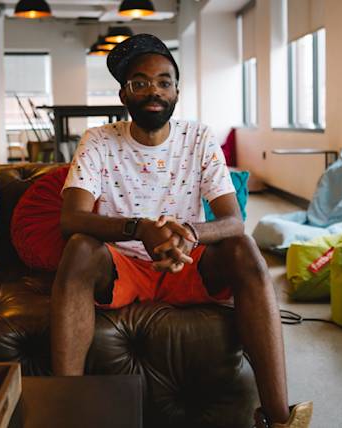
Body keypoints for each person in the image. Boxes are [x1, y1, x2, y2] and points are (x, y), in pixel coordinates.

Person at [52, 34, 313, 428]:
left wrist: (187, 233)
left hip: (188, 264)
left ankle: (278, 419)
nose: (153, 90)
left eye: (163, 81)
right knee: (78, 248)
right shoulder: (99, 141)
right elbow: (71, 218)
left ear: (177, 91)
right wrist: (140, 229)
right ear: (124, 94)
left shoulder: (199, 137)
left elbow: (233, 221)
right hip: (123, 268)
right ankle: (66, 412)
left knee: (243, 246)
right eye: (139, 82)